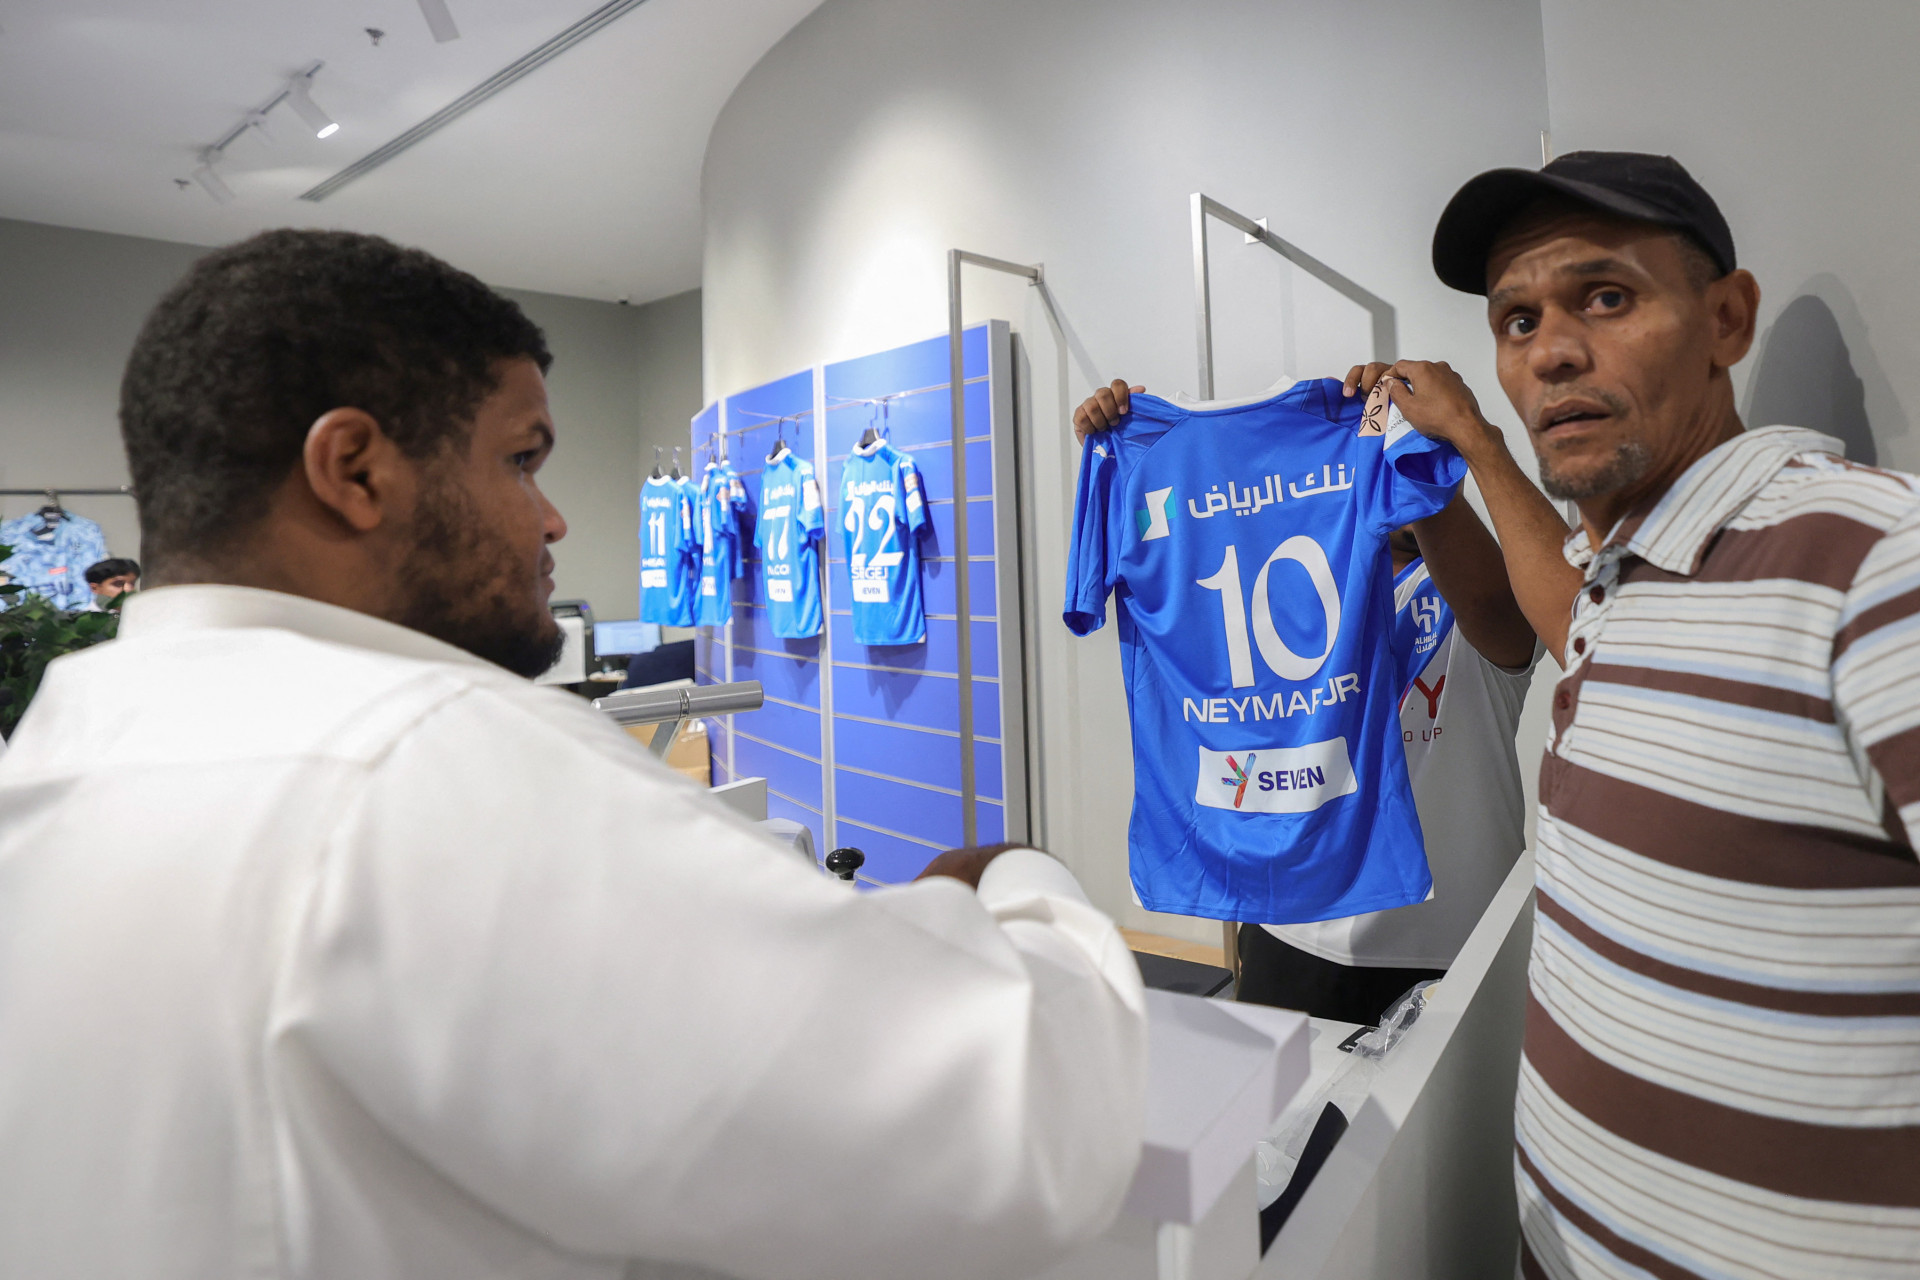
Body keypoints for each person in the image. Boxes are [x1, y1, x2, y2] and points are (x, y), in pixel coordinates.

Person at [0, 230, 1147, 1280]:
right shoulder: (428, 765)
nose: (551, 521)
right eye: (521, 460)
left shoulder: (59, 746)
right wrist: (1018, 883)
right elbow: (1016, 1130)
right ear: (354, 469)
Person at [1370, 151, 1920, 1277]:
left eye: (1605, 297)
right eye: (1515, 319)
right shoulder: (1622, 584)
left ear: (1727, 319)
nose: (1552, 349)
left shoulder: (1872, 562)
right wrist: (1469, 441)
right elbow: (1543, 597)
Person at [1071, 379, 1543, 1026]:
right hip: (1290, 926)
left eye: (1405, 451)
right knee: (1281, 1124)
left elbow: (1502, 617)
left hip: (1454, 942)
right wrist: (1127, 457)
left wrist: (1412, 448)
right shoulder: (1292, 584)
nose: (1381, 464)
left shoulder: (1478, 592)